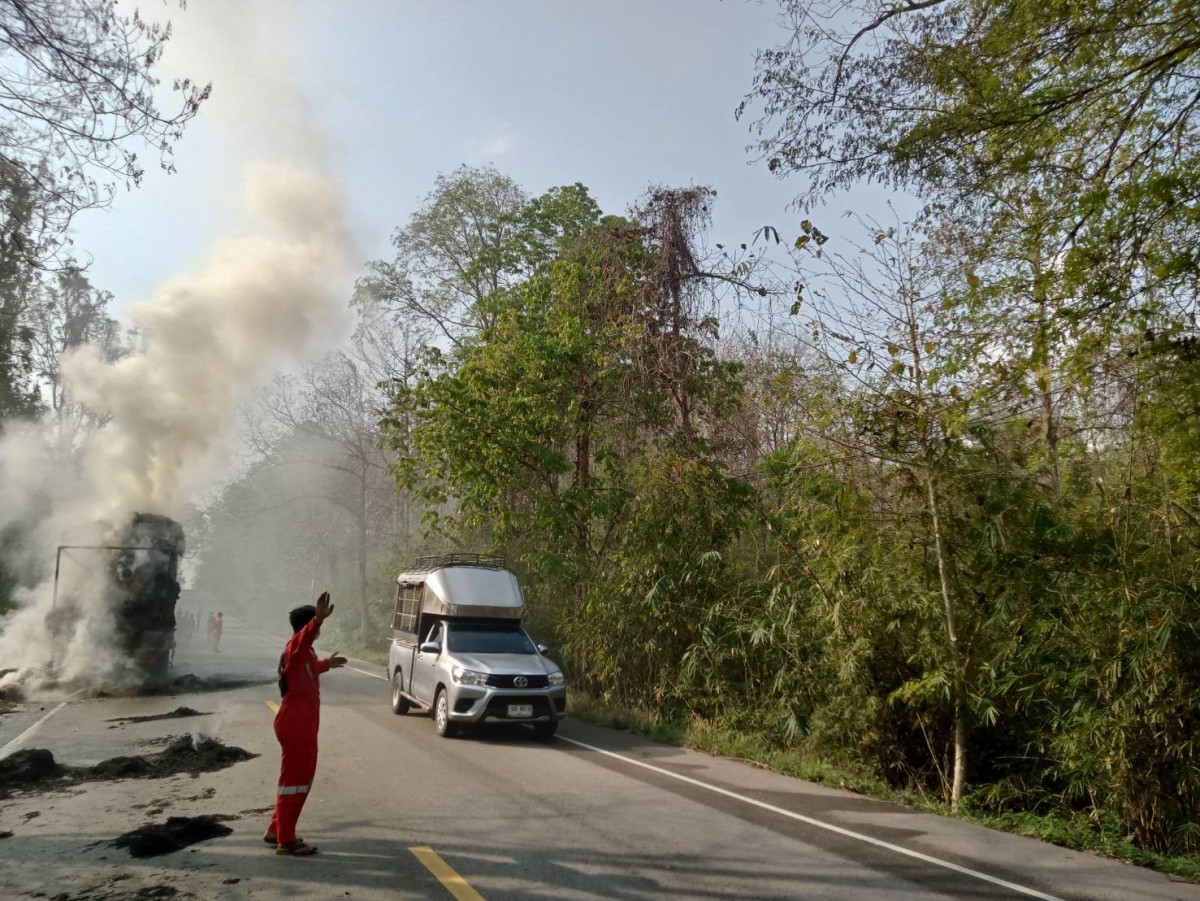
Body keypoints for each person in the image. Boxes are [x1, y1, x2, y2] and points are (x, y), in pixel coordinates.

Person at [263, 592, 346, 856]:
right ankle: (286, 841)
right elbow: (303, 641)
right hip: (297, 721)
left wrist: (327, 664)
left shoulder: (303, 653)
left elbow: (305, 671)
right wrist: (318, 621)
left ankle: (276, 829)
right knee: (296, 782)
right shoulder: (297, 645)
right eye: (313, 619)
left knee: (294, 779)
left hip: (301, 719)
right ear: (306, 625)